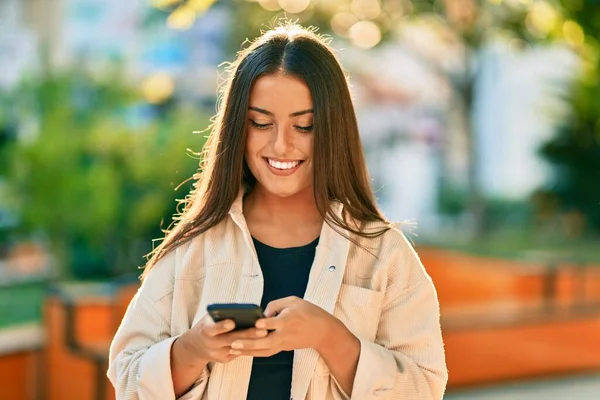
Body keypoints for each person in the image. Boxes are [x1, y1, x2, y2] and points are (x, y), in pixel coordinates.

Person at [107, 22, 448, 400]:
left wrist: (329, 337)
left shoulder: (384, 253)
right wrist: (193, 348)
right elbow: (126, 376)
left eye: (304, 126)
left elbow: (425, 387)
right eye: (261, 123)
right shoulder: (192, 247)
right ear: (239, 126)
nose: (281, 145)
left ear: (333, 129)